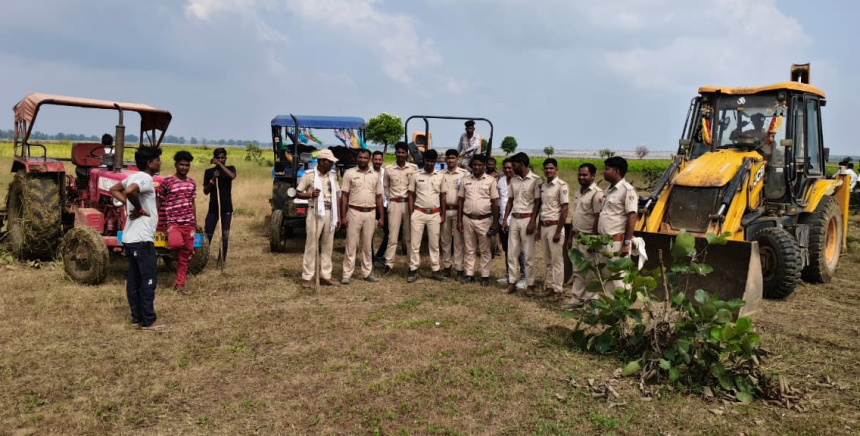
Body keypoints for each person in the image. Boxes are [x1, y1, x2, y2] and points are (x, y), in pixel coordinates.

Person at [109, 147, 165, 331]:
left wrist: (130, 204)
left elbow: (114, 189)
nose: (160, 162)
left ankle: (136, 318)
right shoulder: (145, 178)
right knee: (148, 280)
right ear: (150, 163)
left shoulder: (132, 176)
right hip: (142, 239)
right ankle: (149, 320)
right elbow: (130, 191)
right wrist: (139, 208)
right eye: (158, 160)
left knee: (134, 280)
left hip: (130, 238)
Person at [297, 149, 341, 288]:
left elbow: (336, 196)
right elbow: (298, 193)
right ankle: (307, 276)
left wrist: (338, 216)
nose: (332, 164)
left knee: (328, 245)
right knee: (311, 244)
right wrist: (310, 195)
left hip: (330, 212)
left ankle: (325, 275)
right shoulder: (309, 175)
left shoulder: (332, 176)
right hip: (315, 211)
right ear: (321, 161)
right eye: (330, 161)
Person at [341, 149, 385, 284]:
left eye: (365, 158)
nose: (362, 160)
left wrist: (381, 216)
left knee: (367, 245)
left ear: (369, 159)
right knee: (351, 244)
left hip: (370, 213)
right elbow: (344, 196)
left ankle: (367, 273)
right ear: (357, 158)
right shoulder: (349, 173)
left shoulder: (375, 176)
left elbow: (379, 197)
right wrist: (343, 216)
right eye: (360, 157)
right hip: (354, 212)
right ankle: (347, 274)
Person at [565, 163, 605, 310]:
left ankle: (591, 302)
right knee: (577, 270)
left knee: (590, 272)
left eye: (585, 175)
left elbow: (598, 217)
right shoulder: (579, 191)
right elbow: (575, 216)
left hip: (588, 238)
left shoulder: (597, 194)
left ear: (592, 176)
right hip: (577, 236)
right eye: (579, 174)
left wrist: (593, 241)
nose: (581, 177)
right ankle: (576, 299)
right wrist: (570, 237)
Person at [502, 152, 542, 295]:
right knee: (512, 253)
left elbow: (537, 202)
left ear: (521, 164)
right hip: (514, 218)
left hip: (527, 219)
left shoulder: (536, 180)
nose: (512, 168)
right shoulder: (514, 180)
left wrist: (532, 221)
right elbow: (510, 201)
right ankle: (512, 282)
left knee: (529, 254)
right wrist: (505, 219)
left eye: (514, 165)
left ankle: (530, 285)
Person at [158, 151, 197, 295]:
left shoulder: (192, 183)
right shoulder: (167, 181)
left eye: (187, 165)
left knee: (185, 257)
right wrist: (154, 218)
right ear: (176, 165)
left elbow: (192, 203)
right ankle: (173, 256)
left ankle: (180, 285)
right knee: (175, 244)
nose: (184, 167)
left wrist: (195, 221)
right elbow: (159, 200)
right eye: (181, 164)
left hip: (189, 223)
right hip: (173, 223)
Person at [598, 156, 638, 293]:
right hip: (605, 241)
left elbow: (632, 216)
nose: (604, 172)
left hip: (617, 242)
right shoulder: (608, 190)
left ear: (617, 171)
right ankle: (610, 304)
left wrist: (626, 243)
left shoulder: (627, 190)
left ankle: (623, 304)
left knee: (619, 277)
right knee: (607, 276)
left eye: (607, 169)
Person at [457, 154, 499, 286]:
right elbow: (461, 200)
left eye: (480, 165)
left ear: (484, 166)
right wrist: (459, 220)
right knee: (469, 248)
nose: (476, 167)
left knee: (485, 249)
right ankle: (469, 274)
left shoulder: (491, 181)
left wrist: (495, 222)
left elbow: (494, 202)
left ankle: (485, 276)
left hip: (484, 220)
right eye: (474, 164)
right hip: (467, 218)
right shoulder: (465, 180)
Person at [407, 149, 446, 282]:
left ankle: (435, 269)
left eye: (432, 161)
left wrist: (443, 214)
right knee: (415, 243)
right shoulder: (416, 175)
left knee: (434, 244)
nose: (429, 163)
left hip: (434, 214)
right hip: (418, 212)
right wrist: (412, 212)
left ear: (435, 162)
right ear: (424, 160)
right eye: (428, 161)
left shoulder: (440, 176)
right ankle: (413, 269)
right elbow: (410, 194)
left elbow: (443, 196)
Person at [383, 142, 418, 275]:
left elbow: (416, 188)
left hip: (409, 204)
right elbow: (386, 187)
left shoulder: (413, 168)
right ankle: (389, 264)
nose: (401, 155)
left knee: (409, 236)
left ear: (407, 154)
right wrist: (391, 199)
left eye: (403, 152)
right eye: (399, 152)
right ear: (395, 153)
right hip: (395, 203)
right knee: (392, 236)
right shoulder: (389, 169)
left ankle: (411, 265)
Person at [536, 158, 569, 301]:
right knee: (548, 260)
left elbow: (565, 209)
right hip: (544, 225)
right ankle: (549, 286)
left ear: (556, 169)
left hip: (555, 226)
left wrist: (558, 231)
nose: (548, 171)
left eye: (551, 168)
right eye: (546, 168)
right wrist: (539, 228)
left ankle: (558, 290)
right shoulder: (543, 186)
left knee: (557, 261)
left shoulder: (561, 186)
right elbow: (542, 209)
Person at [203, 148, 237, 266]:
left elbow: (232, 176)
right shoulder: (208, 172)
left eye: (223, 158)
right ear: (214, 158)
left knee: (224, 235)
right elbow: (205, 191)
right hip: (213, 208)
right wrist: (213, 179)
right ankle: (202, 257)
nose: (221, 160)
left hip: (226, 208)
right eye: (218, 158)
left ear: (225, 158)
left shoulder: (230, 169)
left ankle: (221, 259)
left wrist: (220, 165)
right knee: (208, 233)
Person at [495, 158, 525, 288]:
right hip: (503, 221)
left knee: (521, 250)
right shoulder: (501, 181)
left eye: (510, 168)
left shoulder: (519, 181)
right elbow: (500, 202)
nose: (508, 170)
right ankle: (509, 275)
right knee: (508, 250)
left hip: (516, 221)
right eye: (505, 168)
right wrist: (501, 220)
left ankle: (524, 277)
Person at [440, 149, 469, 280]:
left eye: (452, 158)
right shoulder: (441, 174)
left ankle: (459, 269)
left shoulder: (464, 174)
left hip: (458, 211)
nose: (450, 160)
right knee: (445, 240)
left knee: (458, 241)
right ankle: (446, 267)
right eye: (448, 158)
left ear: (457, 159)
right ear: (445, 159)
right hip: (445, 210)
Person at [371, 151, 389, 266]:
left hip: (384, 206)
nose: (377, 162)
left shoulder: (386, 173)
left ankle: (379, 255)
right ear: (372, 160)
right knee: (369, 234)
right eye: (375, 159)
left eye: (379, 159)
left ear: (382, 160)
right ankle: (370, 258)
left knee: (389, 233)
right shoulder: (368, 172)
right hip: (371, 206)